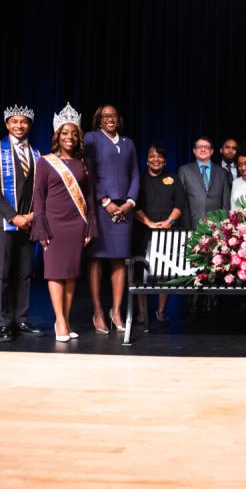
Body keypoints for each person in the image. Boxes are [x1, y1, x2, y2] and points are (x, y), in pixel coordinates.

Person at [31, 103, 97, 342]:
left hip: (76, 222)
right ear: (57, 136)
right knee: (55, 273)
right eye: (65, 133)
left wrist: (91, 223)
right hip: (54, 223)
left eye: (74, 133)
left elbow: (89, 196)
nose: (70, 137)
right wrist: (40, 226)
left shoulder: (83, 163)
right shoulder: (45, 162)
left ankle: (66, 320)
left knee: (71, 274)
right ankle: (59, 320)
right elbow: (38, 196)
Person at [0, 104, 44, 342]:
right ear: (7, 124)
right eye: (14, 121)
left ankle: (22, 318)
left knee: (25, 273)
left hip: (29, 222)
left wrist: (31, 216)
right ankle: (3, 323)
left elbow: (41, 190)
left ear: (29, 125)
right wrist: (13, 216)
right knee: (2, 274)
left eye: (24, 122)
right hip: (4, 222)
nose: (19, 125)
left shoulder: (37, 154)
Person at [84, 104, 140, 334]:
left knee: (119, 259)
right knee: (96, 259)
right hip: (101, 208)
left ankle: (116, 310)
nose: (110, 119)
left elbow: (135, 173)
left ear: (119, 119)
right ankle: (98, 311)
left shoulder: (128, 143)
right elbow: (88, 172)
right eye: (105, 116)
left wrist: (129, 203)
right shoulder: (92, 138)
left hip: (124, 210)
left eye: (113, 116)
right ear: (98, 120)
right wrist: (105, 202)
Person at [134, 144, 186, 325]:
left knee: (165, 273)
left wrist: (168, 223)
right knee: (140, 273)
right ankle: (141, 312)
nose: (156, 159)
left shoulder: (173, 178)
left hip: (167, 233)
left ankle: (161, 310)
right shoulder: (138, 178)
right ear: (147, 159)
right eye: (152, 156)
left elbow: (180, 204)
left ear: (165, 161)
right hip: (143, 232)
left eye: (160, 156)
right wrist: (148, 222)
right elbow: (134, 205)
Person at [178, 136, 232, 229]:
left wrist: (223, 225)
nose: (203, 149)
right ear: (194, 151)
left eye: (206, 147)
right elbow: (181, 200)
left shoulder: (222, 172)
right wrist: (186, 226)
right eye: (199, 147)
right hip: (192, 225)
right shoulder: (184, 170)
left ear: (211, 151)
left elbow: (225, 203)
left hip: (217, 227)